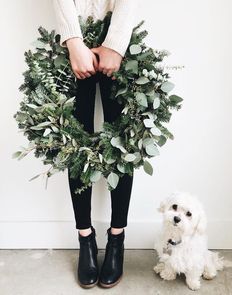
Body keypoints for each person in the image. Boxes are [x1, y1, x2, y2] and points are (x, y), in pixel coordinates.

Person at [52, 0, 137, 289]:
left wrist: (115, 43)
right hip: (73, 41)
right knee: (75, 144)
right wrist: (73, 41)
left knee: (122, 145)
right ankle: (85, 239)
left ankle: (117, 239)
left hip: (120, 39)